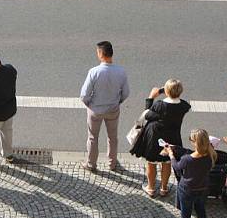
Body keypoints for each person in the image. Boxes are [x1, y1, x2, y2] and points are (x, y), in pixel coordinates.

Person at [130, 79, 191, 197]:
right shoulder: (184, 106)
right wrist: (169, 92)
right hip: (173, 137)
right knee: (167, 162)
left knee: (151, 163)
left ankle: (151, 188)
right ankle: (164, 188)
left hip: (155, 137)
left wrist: (151, 97)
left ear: (166, 91)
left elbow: (147, 115)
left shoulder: (159, 105)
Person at [80, 41, 130, 171]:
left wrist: (90, 104)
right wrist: (117, 102)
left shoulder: (94, 72)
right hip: (113, 110)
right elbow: (126, 93)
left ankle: (91, 164)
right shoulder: (121, 71)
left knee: (92, 137)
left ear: (101, 54)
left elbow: (84, 95)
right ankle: (112, 163)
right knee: (112, 137)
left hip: (95, 110)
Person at [169, 129, 216, 218]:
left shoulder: (187, 159)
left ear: (196, 142)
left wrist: (171, 154)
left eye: (191, 139)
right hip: (202, 189)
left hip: (187, 190)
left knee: (185, 217)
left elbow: (176, 166)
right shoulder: (211, 156)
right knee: (201, 213)